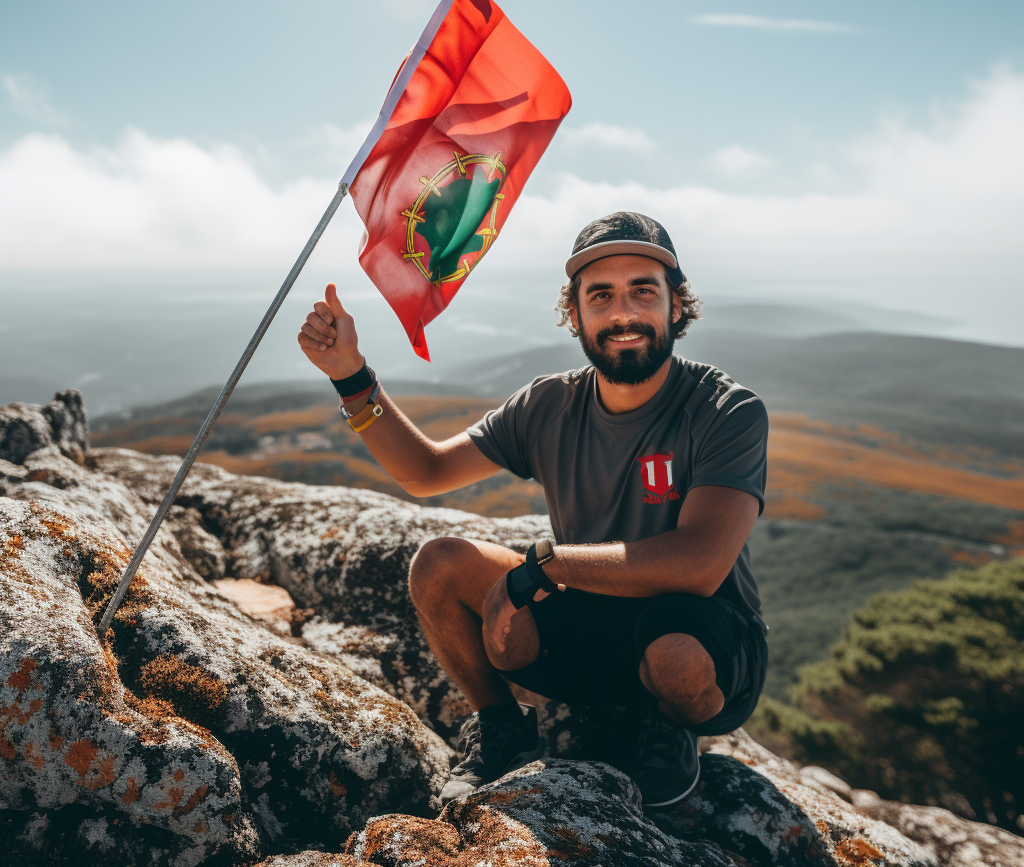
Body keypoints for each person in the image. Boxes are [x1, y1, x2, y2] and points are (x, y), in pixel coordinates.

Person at [296, 211, 769, 810]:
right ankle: (501, 725)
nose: (623, 312)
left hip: (707, 639)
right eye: (601, 296)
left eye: (643, 291)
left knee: (672, 651)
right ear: (575, 315)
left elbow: (700, 564)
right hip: (595, 625)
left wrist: (546, 568)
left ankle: (668, 729)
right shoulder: (548, 405)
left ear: (676, 306)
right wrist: (351, 378)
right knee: (439, 565)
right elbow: (427, 472)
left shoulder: (725, 410)